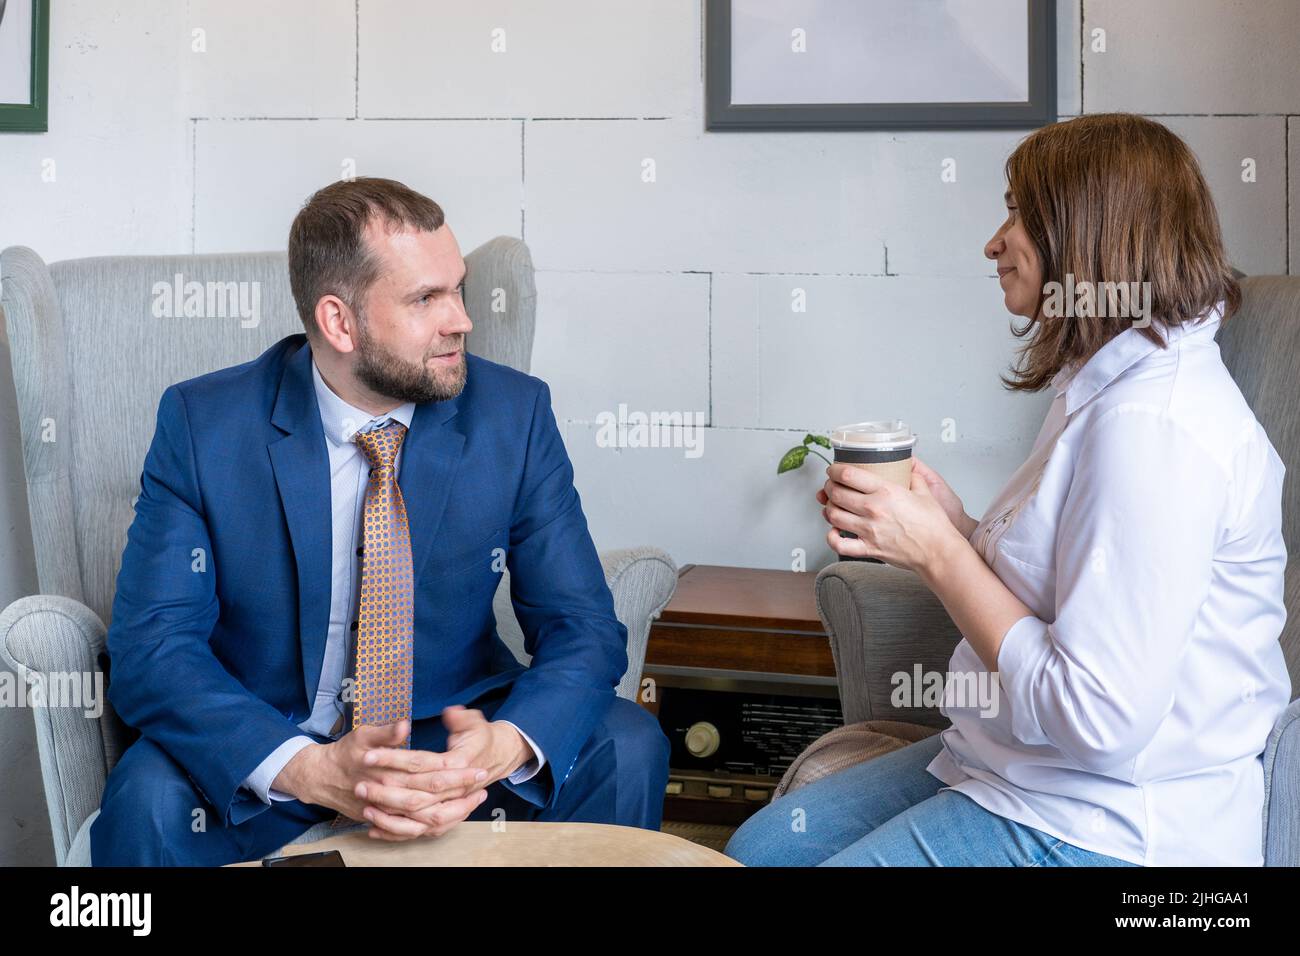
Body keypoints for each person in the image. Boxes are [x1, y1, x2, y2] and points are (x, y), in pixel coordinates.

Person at [725, 113, 1292, 867]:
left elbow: (1099, 716)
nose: (995, 241)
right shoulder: (1103, 383)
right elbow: (1065, 588)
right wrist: (952, 527)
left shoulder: (1154, 427)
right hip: (1015, 770)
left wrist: (938, 556)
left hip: (1107, 821)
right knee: (759, 851)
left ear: (1092, 232)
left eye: (1020, 213)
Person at [91, 177, 670, 866]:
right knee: (147, 801)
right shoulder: (203, 425)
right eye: (427, 299)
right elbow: (153, 645)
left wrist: (504, 744)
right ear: (339, 322)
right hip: (274, 740)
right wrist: (308, 768)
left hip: (447, 746)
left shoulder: (513, 417)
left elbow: (583, 627)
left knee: (628, 744)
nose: (462, 320)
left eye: (458, 288)